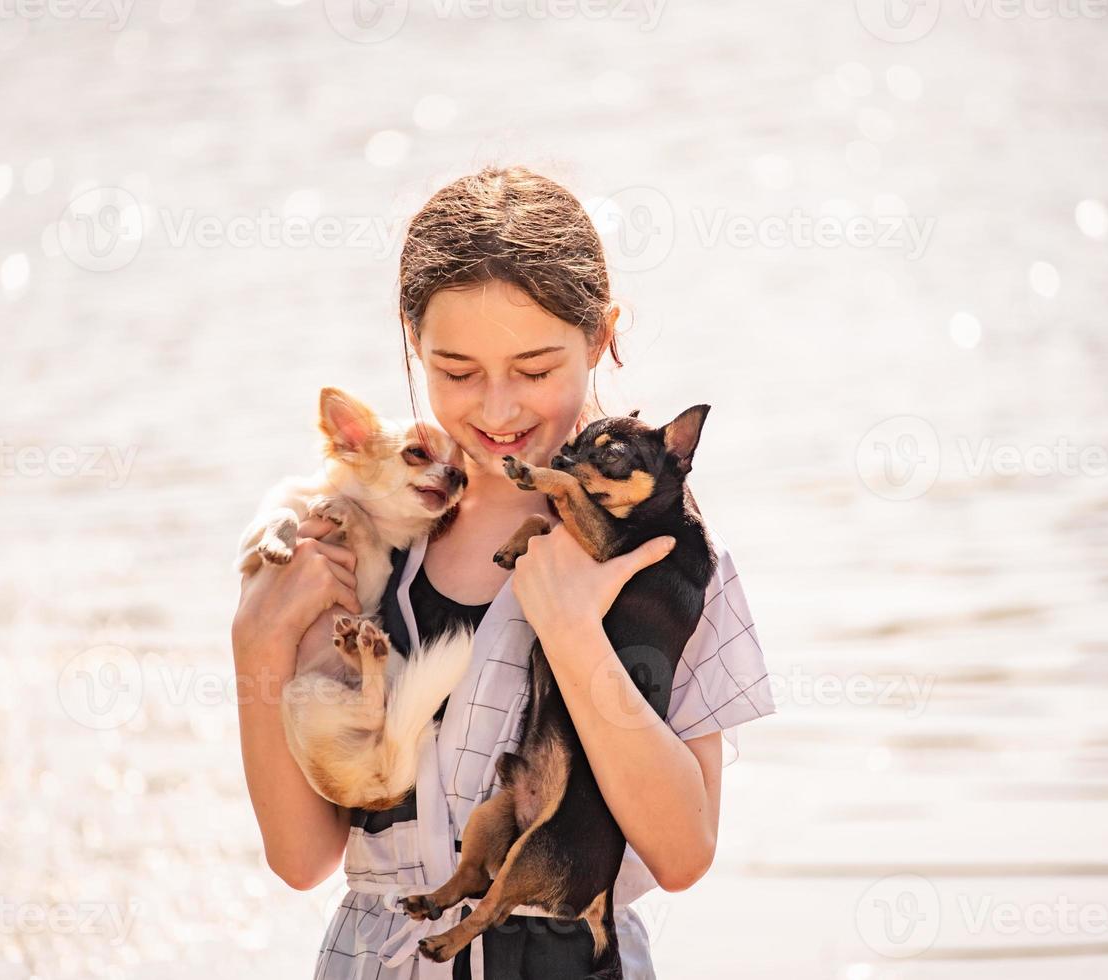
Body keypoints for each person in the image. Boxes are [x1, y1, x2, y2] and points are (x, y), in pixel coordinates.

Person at [231, 166, 778, 979]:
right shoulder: (362, 536)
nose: (495, 410)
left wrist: (571, 633)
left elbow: (682, 852)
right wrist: (259, 644)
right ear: (413, 345)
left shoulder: (669, 554)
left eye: (534, 370)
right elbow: (300, 856)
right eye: (455, 372)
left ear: (601, 337)